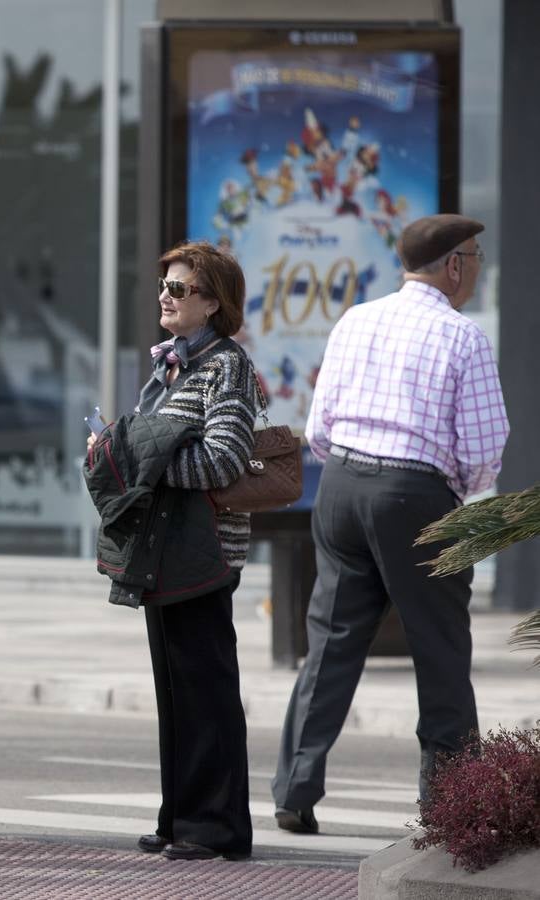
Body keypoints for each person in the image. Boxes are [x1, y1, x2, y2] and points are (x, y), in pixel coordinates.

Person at [271, 214, 509, 834]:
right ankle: (449, 804)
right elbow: (484, 450)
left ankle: (295, 789)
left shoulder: (356, 319)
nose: (478, 267)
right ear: (454, 265)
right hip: (416, 493)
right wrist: (448, 487)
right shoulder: (463, 336)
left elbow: (319, 425)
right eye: (476, 256)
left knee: (331, 640)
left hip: (343, 485)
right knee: (440, 646)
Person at [84, 241, 258, 861]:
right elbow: (145, 445)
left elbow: (225, 459)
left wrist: (145, 465)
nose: (166, 295)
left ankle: (217, 828)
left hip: (207, 552)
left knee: (204, 685)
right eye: (165, 285)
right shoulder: (172, 366)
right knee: (174, 686)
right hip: (167, 549)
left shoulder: (225, 366)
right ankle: (179, 817)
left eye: (181, 289)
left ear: (214, 303)